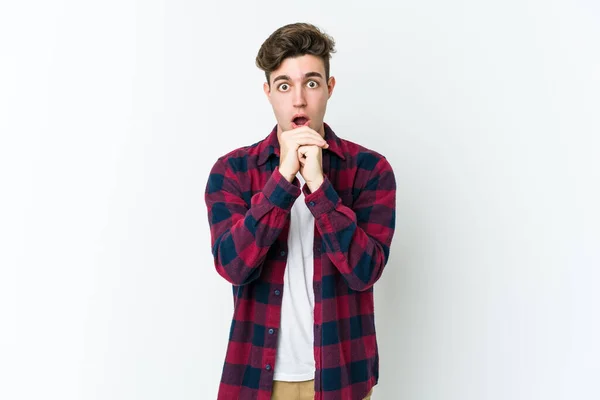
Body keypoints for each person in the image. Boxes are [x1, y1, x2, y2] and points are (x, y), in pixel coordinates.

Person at [205, 22, 397, 400]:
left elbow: (365, 272)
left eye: (311, 83)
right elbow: (233, 266)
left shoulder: (371, 170)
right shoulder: (231, 172)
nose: (298, 101)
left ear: (329, 88)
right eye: (283, 85)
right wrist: (282, 180)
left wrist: (320, 187)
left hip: (341, 379)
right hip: (256, 379)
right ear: (268, 93)